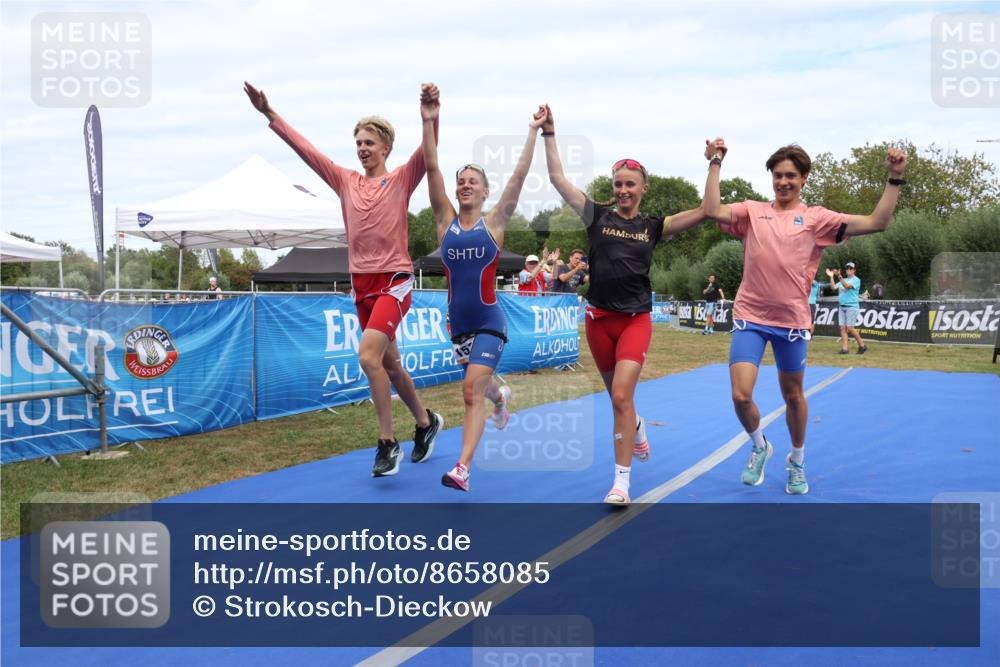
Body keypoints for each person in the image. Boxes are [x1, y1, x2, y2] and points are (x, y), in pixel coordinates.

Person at [244, 81, 443, 478]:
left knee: (368, 357)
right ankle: (426, 423)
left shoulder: (401, 179)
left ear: (386, 147)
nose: (363, 148)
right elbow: (307, 152)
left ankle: (388, 444)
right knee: (391, 367)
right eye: (358, 143)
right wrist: (270, 114)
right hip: (362, 285)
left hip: (394, 281)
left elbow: (428, 153)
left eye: (370, 142)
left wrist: (430, 116)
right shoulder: (345, 181)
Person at [702, 138, 907, 495]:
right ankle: (760, 445)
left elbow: (878, 222)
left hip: (793, 323)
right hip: (750, 316)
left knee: (793, 395)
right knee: (740, 396)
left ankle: (796, 460)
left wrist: (895, 177)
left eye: (791, 176)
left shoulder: (818, 220)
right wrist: (715, 162)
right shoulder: (752, 211)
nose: (783, 182)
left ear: (804, 178)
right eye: (778, 176)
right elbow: (711, 210)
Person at [543, 105, 709, 506]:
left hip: (635, 321)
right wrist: (550, 133)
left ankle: (621, 482)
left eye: (630, 184)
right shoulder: (596, 216)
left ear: (643, 188)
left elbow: (706, 211)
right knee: (619, 400)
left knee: (620, 395)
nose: (622, 190)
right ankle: (636, 425)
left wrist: (714, 163)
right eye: (618, 183)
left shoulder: (654, 226)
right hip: (598, 322)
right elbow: (557, 179)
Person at [420, 85, 546, 491]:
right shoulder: (445, 223)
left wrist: (533, 132)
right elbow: (432, 166)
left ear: (486, 191)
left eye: (474, 181)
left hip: (491, 321)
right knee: (484, 387)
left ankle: (463, 468)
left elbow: (521, 175)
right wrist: (428, 120)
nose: (465, 185)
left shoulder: (494, 224)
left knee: (470, 390)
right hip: (457, 324)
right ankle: (502, 398)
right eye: (462, 181)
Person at [829, 262, 866, 354]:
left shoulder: (856, 280)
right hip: (842, 307)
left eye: (850, 268)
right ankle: (845, 349)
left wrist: (839, 276)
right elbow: (833, 287)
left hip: (852, 306)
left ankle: (862, 345)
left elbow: (847, 286)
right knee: (842, 328)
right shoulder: (843, 279)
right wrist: (831, 276)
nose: (848, 270)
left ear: (854, 270)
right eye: (847, 268)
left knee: (849, 328)